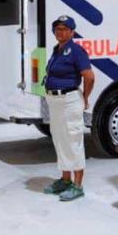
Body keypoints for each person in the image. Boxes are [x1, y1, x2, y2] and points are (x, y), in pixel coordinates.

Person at [42, 15, 94, 202]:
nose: (60, 32)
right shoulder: (57, 50)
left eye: (64, 29)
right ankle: (65, 180)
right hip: (55, 101)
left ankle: (77, 185)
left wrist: (85, 98)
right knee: (60, 139)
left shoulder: (77, 51)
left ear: (72, 32)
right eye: (58, 29)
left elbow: (89, 77)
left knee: (73, 140)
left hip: (70, 100)